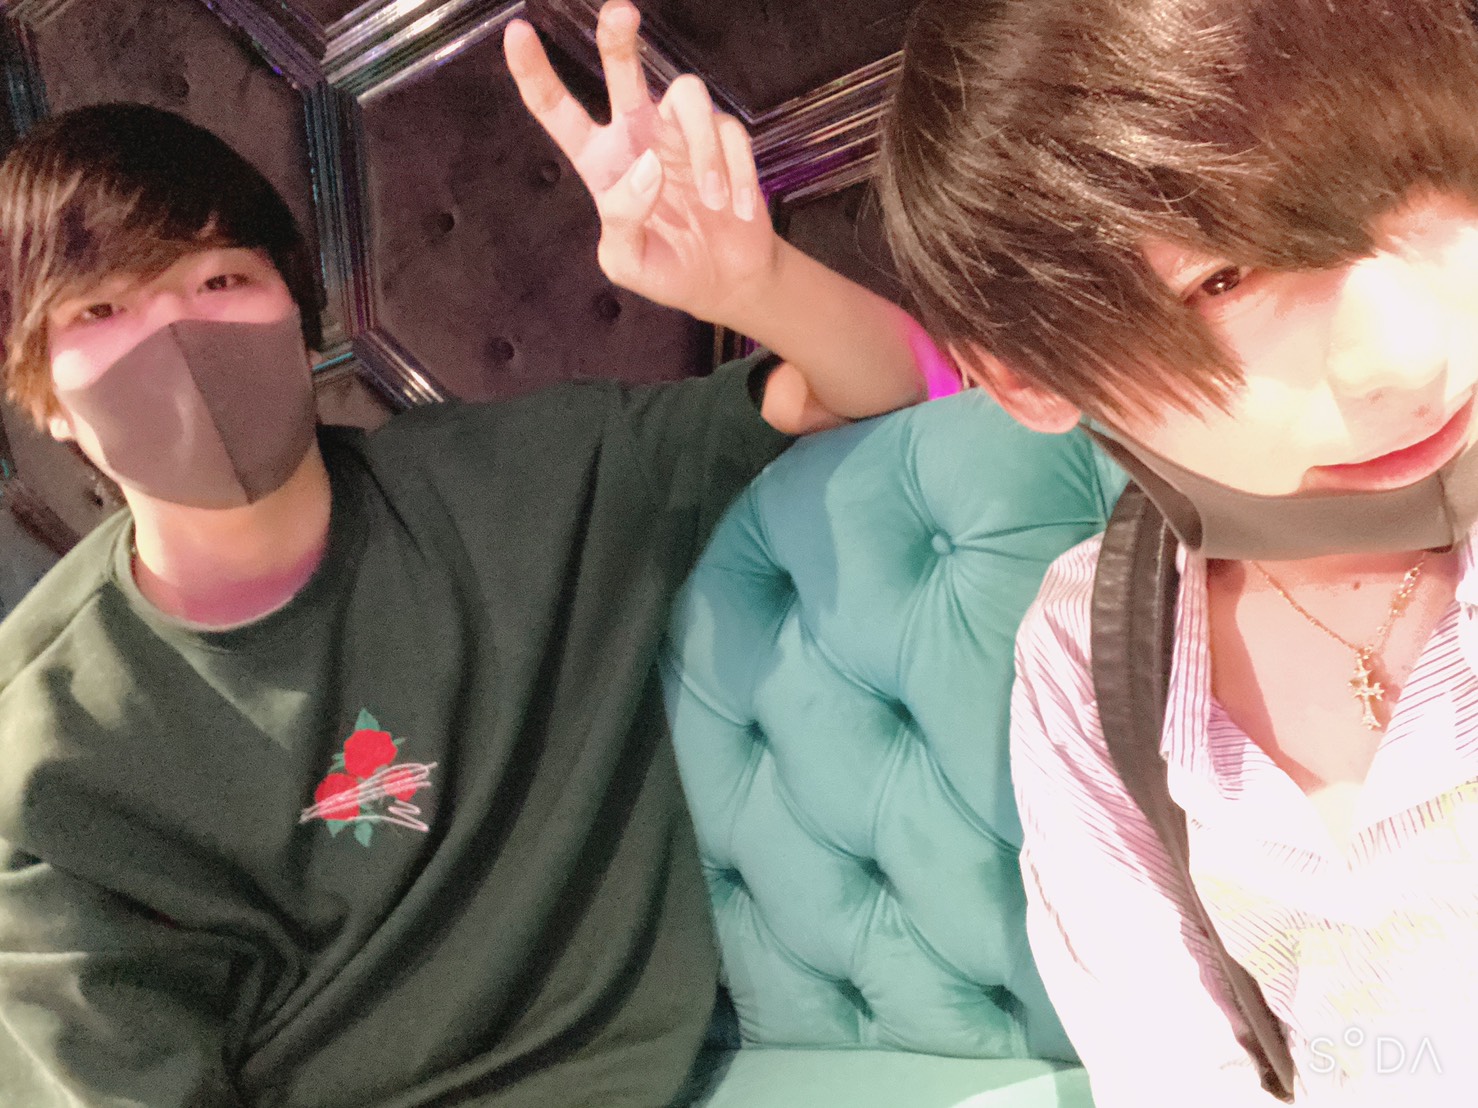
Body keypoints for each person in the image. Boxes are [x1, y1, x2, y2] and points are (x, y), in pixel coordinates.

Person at [0, 3, 934, 1104]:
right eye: (101, 310)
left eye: (218, 281)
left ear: (302, 316)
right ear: (41, 396)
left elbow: (896, 385)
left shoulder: (527, 480)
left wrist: (750, 283)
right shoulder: (44, 750)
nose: (177, 340)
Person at [879, 0, 1478, 1103]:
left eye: (1430, 179)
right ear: (1023, 377)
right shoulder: (1095, 652)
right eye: (1224, 278)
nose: (1408, 351)